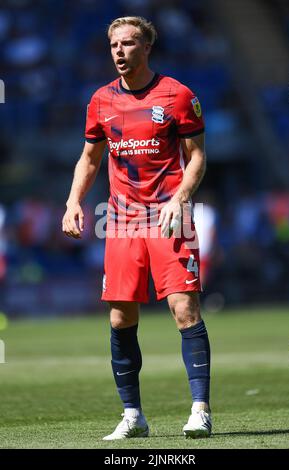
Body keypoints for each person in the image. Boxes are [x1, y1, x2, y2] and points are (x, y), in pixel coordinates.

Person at [62, 16, 211, 440]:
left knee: (185, 310)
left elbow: (196, 155)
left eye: (129, 44)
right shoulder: (100, 101)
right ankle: (133, 416)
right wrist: (74, 202)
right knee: (119, 317)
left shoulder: (178, 95)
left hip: (170, 215)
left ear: (147, 48)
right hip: (122, 220)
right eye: (114, 45)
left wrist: (180, 198)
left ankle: (200, 409)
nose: (120, 52)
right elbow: (90, 159)